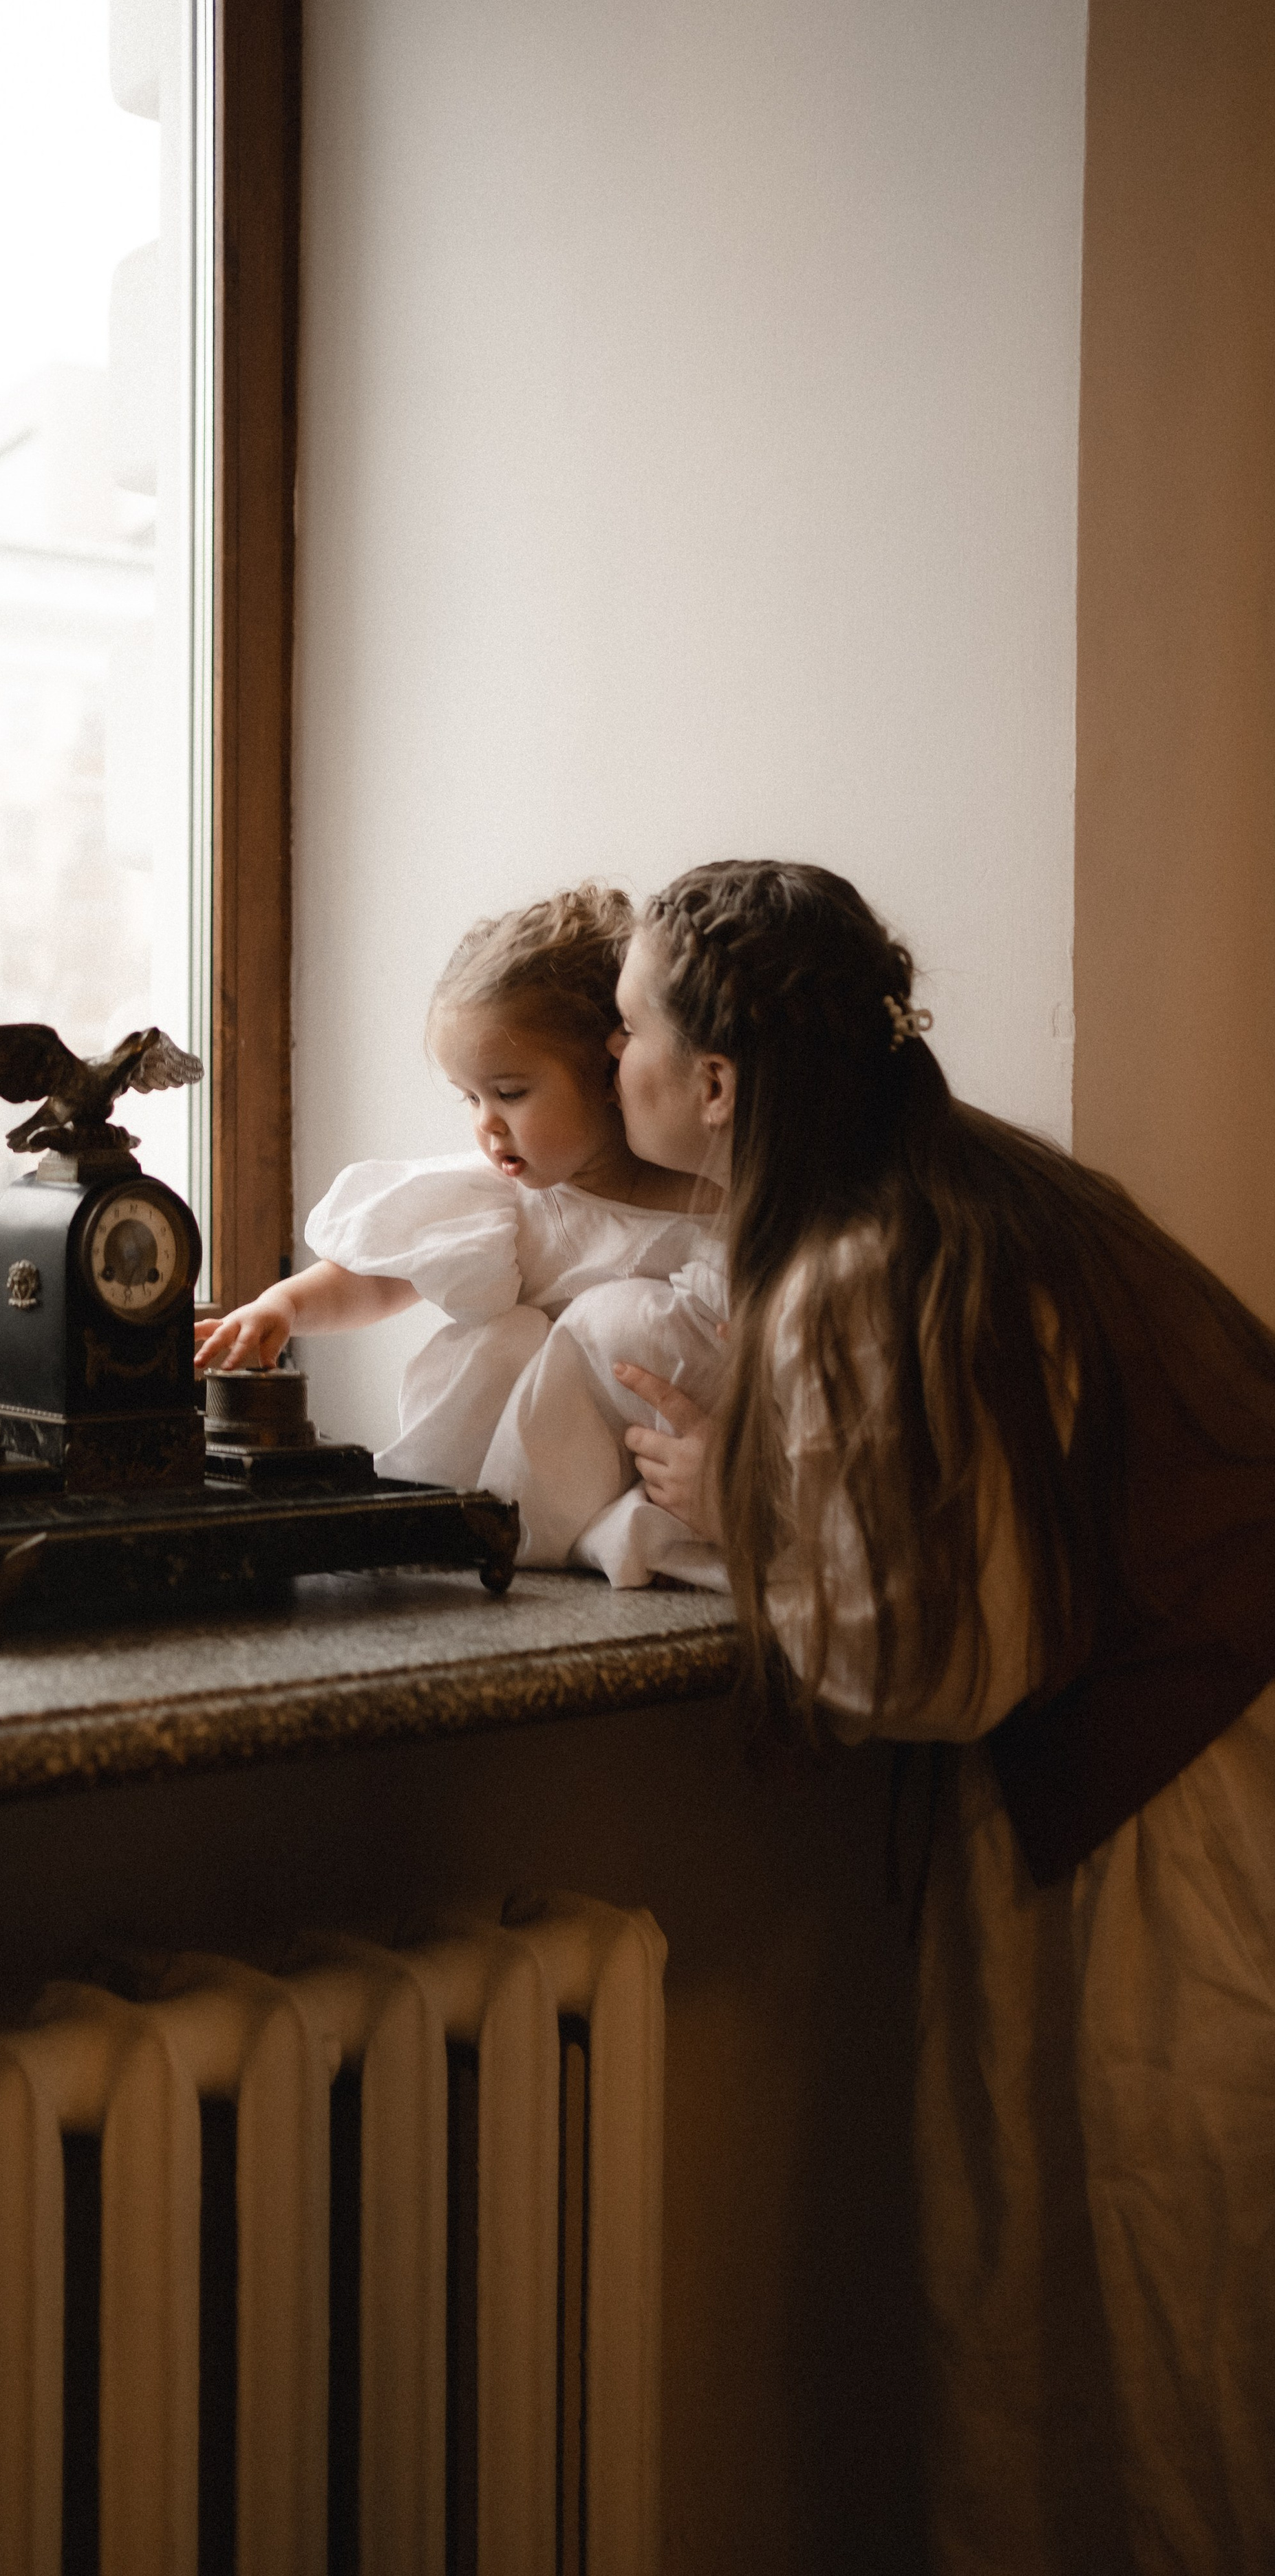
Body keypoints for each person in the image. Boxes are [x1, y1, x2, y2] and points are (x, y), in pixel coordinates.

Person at [599, 857, 1275, 2573]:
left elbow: (930, 1661)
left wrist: (721, 1495)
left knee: (1132, 2331)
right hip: (1209, 1768)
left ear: (718, 1082)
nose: (614, 1063)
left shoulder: (859, 1266)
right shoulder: (987, 1192)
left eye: (625, 1032)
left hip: (1147, 1833)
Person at [195, 883, 727, 1579]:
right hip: (502, 1489)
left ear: (608, 1072)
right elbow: (379, 1275)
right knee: (504, 1339)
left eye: (510, 1093)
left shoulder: (712, 1204)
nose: (487, 1125)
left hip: (654, 1483)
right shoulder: (503, 1199)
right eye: (470, 1098)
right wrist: (284, 1308)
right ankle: (429, 1528)